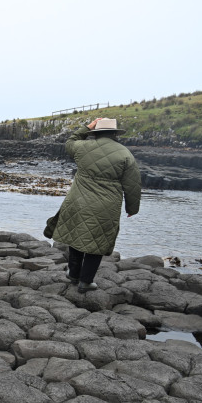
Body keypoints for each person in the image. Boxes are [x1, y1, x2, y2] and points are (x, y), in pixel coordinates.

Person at [51, 117, 141, 293]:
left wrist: (87, 127)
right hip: (106, 206)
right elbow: (133, 185)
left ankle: (74, 274)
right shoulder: (124, 154)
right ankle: (86, 281)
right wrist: (132, 208)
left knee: (76, 236)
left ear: (95, 133)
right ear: (115, 133)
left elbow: (70, 142)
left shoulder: (83, 147)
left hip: (77, 201)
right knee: (97, 242)